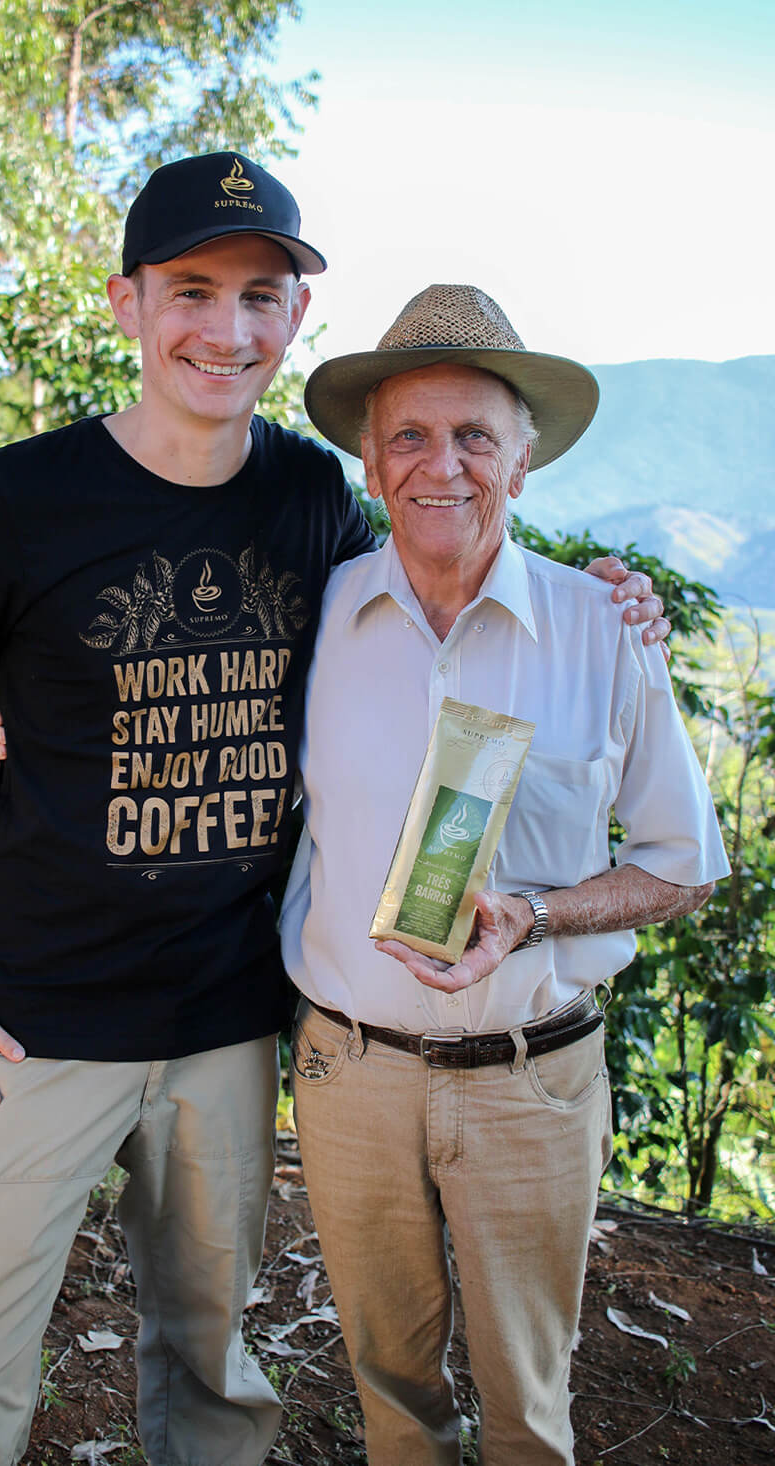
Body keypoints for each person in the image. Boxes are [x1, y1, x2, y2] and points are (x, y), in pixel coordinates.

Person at [0, 146, 666, 1466]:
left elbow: (430, 603)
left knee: (214, 1380)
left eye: (261, 295)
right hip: (34, 1024)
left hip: (230, 1027)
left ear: (294, 318)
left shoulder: (310, 497)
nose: (226, 329)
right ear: (128, 303)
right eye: (192, 290)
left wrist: (612, 598)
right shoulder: (18, 500)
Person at [278, 283, 730, 1465]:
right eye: (411, 436)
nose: (444, 465)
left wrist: (533, 915)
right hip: (350, 1075)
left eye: (475, 435)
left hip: (531, 1083)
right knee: (389, 1390)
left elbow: (681, 868)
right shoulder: (311, 621)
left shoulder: (602, 628)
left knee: (530, 1408)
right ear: (371, 463)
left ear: (523, 462)